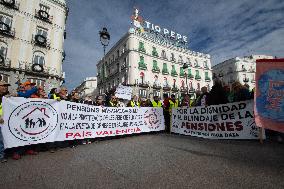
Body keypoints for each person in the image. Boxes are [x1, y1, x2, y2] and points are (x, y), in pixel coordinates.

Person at [0, 81, 10, 163]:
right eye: (3, 85)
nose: (5, 87)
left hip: (3, 121)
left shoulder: (5, 96)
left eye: (6, 86)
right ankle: (1, 155)